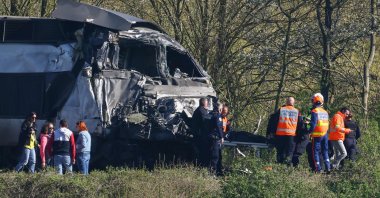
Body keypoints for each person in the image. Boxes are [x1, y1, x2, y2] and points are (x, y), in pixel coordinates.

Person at [309, 93, 330, 173]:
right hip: (325, 134)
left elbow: (313, 124)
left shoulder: (314, 111)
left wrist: (309, 132)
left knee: (316, 152)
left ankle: (318, 168)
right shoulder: (325, 112)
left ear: (314, 102)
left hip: (317, 135)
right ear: (321, 102)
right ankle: (328, 168)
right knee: (325, 151)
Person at [274, 97, 299, 165]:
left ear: (286, 102)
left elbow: (274, 122)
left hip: (280, 134)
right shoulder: (297, 111)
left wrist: (273, 133)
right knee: (289, 153)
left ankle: (279, 166)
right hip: (291, 135)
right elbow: (300, 124)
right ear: (293, 103)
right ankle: (287, 169)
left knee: (280, 152)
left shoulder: (281, 110)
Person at [192, 97, 212, 167]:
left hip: (198, 134)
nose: (208, 104)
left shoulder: (198, 110)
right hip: (201, 135)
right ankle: (201, 166)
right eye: (207, 102)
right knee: (202, 151)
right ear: (205, 103)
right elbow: (205, 122)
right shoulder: (202, 111)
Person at [210, 103, 224, 175]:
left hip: (210, 137)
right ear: (219, 109)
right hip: (215, 138)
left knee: (213, 155)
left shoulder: (210, 114)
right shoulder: (217, 116)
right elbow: (219, 127)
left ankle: (217, 172)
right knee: (215, 156)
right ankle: (213, 173)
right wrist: (221, 137)